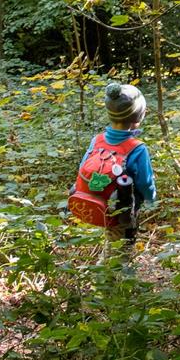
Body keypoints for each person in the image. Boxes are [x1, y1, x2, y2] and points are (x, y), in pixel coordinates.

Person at [68, 83, 157, 250]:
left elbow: (82, 167)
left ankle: (107, 271)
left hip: (97, 202)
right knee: (121, 248)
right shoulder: (137, 148)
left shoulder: (98, 140)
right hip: (121, 209)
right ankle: (109, 275)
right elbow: (145, 183)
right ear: (137, 117)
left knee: (112, 237)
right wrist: (151, 198)